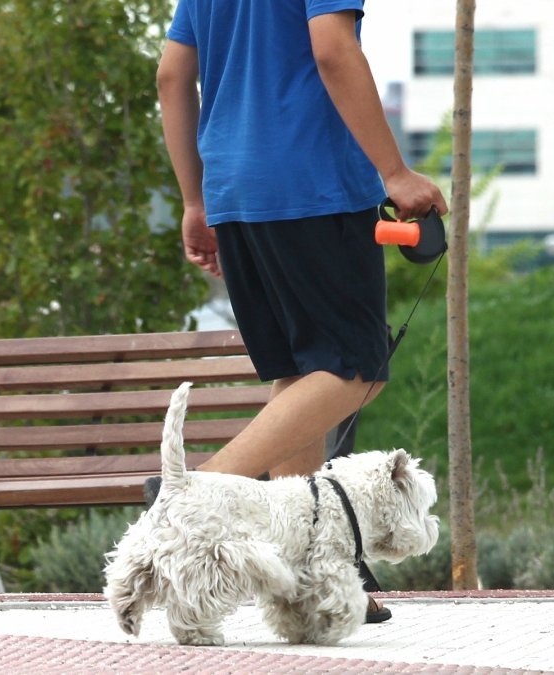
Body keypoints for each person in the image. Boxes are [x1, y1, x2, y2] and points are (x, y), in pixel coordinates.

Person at [154, 0, 448, 622]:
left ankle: (311, 580)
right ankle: (195, 496)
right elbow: (332, 49)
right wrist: (393, 172)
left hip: (234, 190)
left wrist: (192, 199)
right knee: (353, 369)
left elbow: (173, 76)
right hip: (313, 186)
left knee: (299, 375)